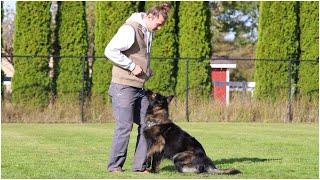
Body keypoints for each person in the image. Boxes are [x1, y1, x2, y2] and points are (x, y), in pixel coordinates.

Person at [104, 3, 172, 173]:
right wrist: (131, 66)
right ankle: (115, 166)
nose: (160, 27)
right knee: (124, 126)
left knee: (147, 124)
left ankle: (139, 167)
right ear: (150, 16)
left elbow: (138, 56)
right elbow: (110, 50)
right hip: (123, 87)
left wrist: (146, 71)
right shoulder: (130, 29)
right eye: (159, 23)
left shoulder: (147, 32)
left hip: (138, 87)